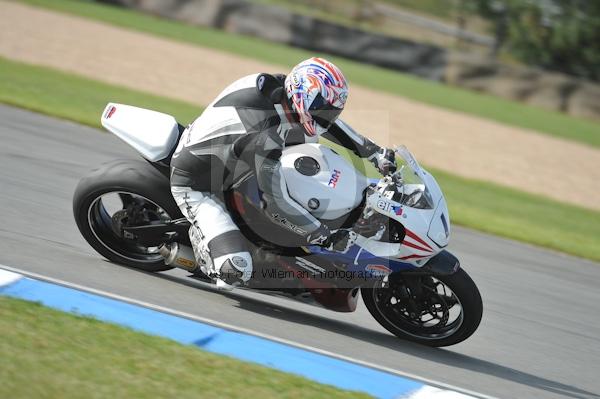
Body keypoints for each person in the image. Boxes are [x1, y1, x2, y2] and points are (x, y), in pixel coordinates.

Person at [170, 57, 395, 289]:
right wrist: (321, 235)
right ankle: (200, 253)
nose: (328, 117)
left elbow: (321, 123)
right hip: (197, 183)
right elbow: (275, 202)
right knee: (235, 271)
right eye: (324, 111)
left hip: (231, 164)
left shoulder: (280, 88)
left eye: (332, 111)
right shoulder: (264, 135)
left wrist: (372, 152)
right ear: (304, 98)